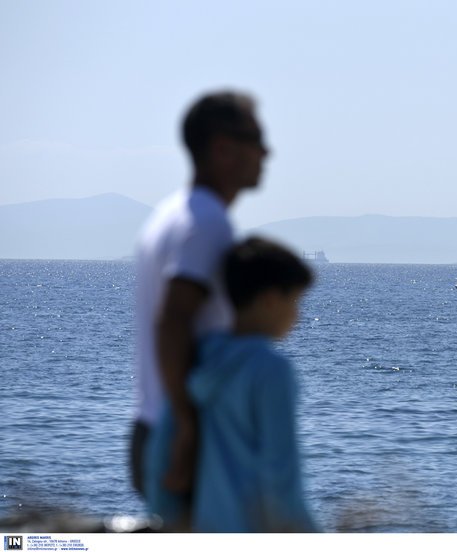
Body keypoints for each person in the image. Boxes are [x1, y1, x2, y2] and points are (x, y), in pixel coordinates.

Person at [131, 91, 269, 498]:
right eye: (255, 138)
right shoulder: (206, 224)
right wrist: (188, 427)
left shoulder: (172, 214)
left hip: (154, 423)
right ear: (223, 148)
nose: (267, 151)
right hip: (177, 434)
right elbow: (174, 321)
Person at [145, 237, 318, 532]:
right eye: (295, 301)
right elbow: (282, 485)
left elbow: (161, 462)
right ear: (271, 300)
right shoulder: (271, 370)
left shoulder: (197, 360)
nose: (297, 316)